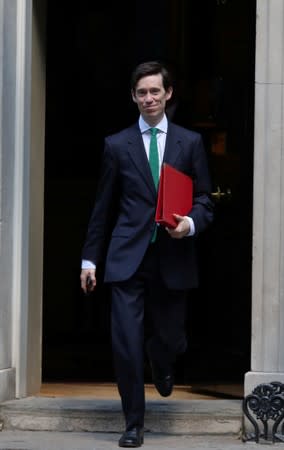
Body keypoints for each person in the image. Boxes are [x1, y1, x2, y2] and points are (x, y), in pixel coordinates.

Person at [80, 61, 214, 448]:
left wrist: (188, 224)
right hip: (127, 258)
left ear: (168, 94)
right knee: (125, 343)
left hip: (173, 256)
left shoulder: (188, 142)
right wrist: (90, 259)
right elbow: (102, 207)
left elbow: (205, 199)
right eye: (142, 92)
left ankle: (162, 357)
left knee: (170, 338)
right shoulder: (116, 144)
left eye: (156, 91)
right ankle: (133, 424)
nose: (149, 98)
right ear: (134, 97)